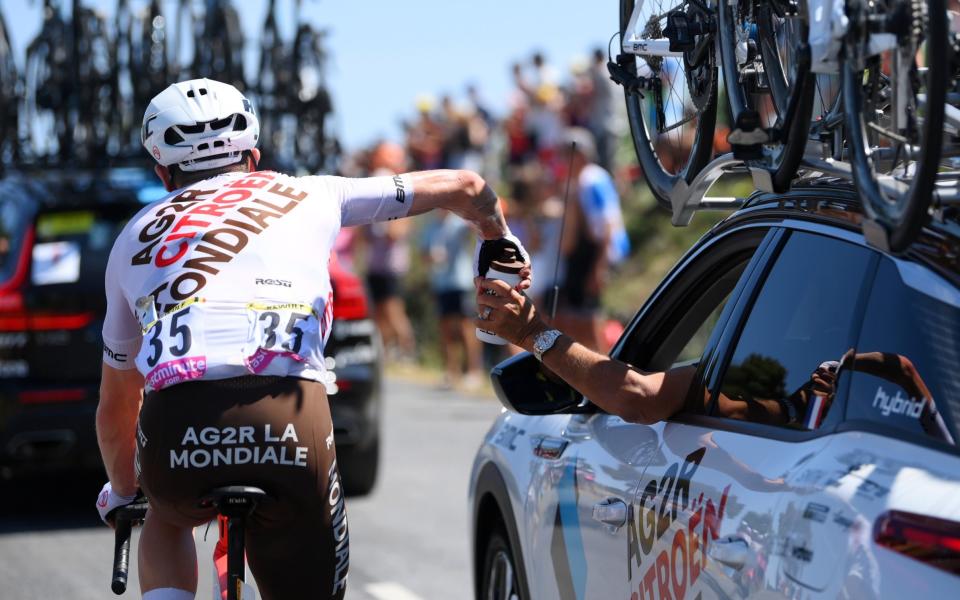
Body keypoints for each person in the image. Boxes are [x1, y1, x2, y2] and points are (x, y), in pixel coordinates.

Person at [94, 78, 530, 600]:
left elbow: (118, 400)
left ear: (162, 172)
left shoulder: (133, 235)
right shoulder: (310, 192)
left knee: (165, 514)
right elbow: (466, 186)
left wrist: (123, 492)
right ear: (253, 156)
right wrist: (498, 239)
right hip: (290, 422)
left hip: (176, 430)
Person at [554, 128, 630, 351]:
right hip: (591, 252)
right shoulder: (584, 180)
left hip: (599, 253)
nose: (562, 159)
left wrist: (599, 267)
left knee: (589, 316)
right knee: (580, 316)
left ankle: (603, 367)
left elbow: (607, 225)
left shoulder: (591, 179)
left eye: (567, 153)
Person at [364, 142, 416, 359]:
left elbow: (397, 230)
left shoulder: (398, 190)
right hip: (377, 261)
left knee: (393, 309)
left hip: (391, 262)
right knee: (381, 310)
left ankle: (407, 351)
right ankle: (387, 352)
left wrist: (385, 227)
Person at [422, 210, 484, 388]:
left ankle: (474, 371)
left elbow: (474, 229)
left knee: (466, 327)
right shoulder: (431, 226)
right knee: (446, 329)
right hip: (441, 283)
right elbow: (423, 253)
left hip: (460, 282)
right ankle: (452, 371)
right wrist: (431, 257)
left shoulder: (457, 223)